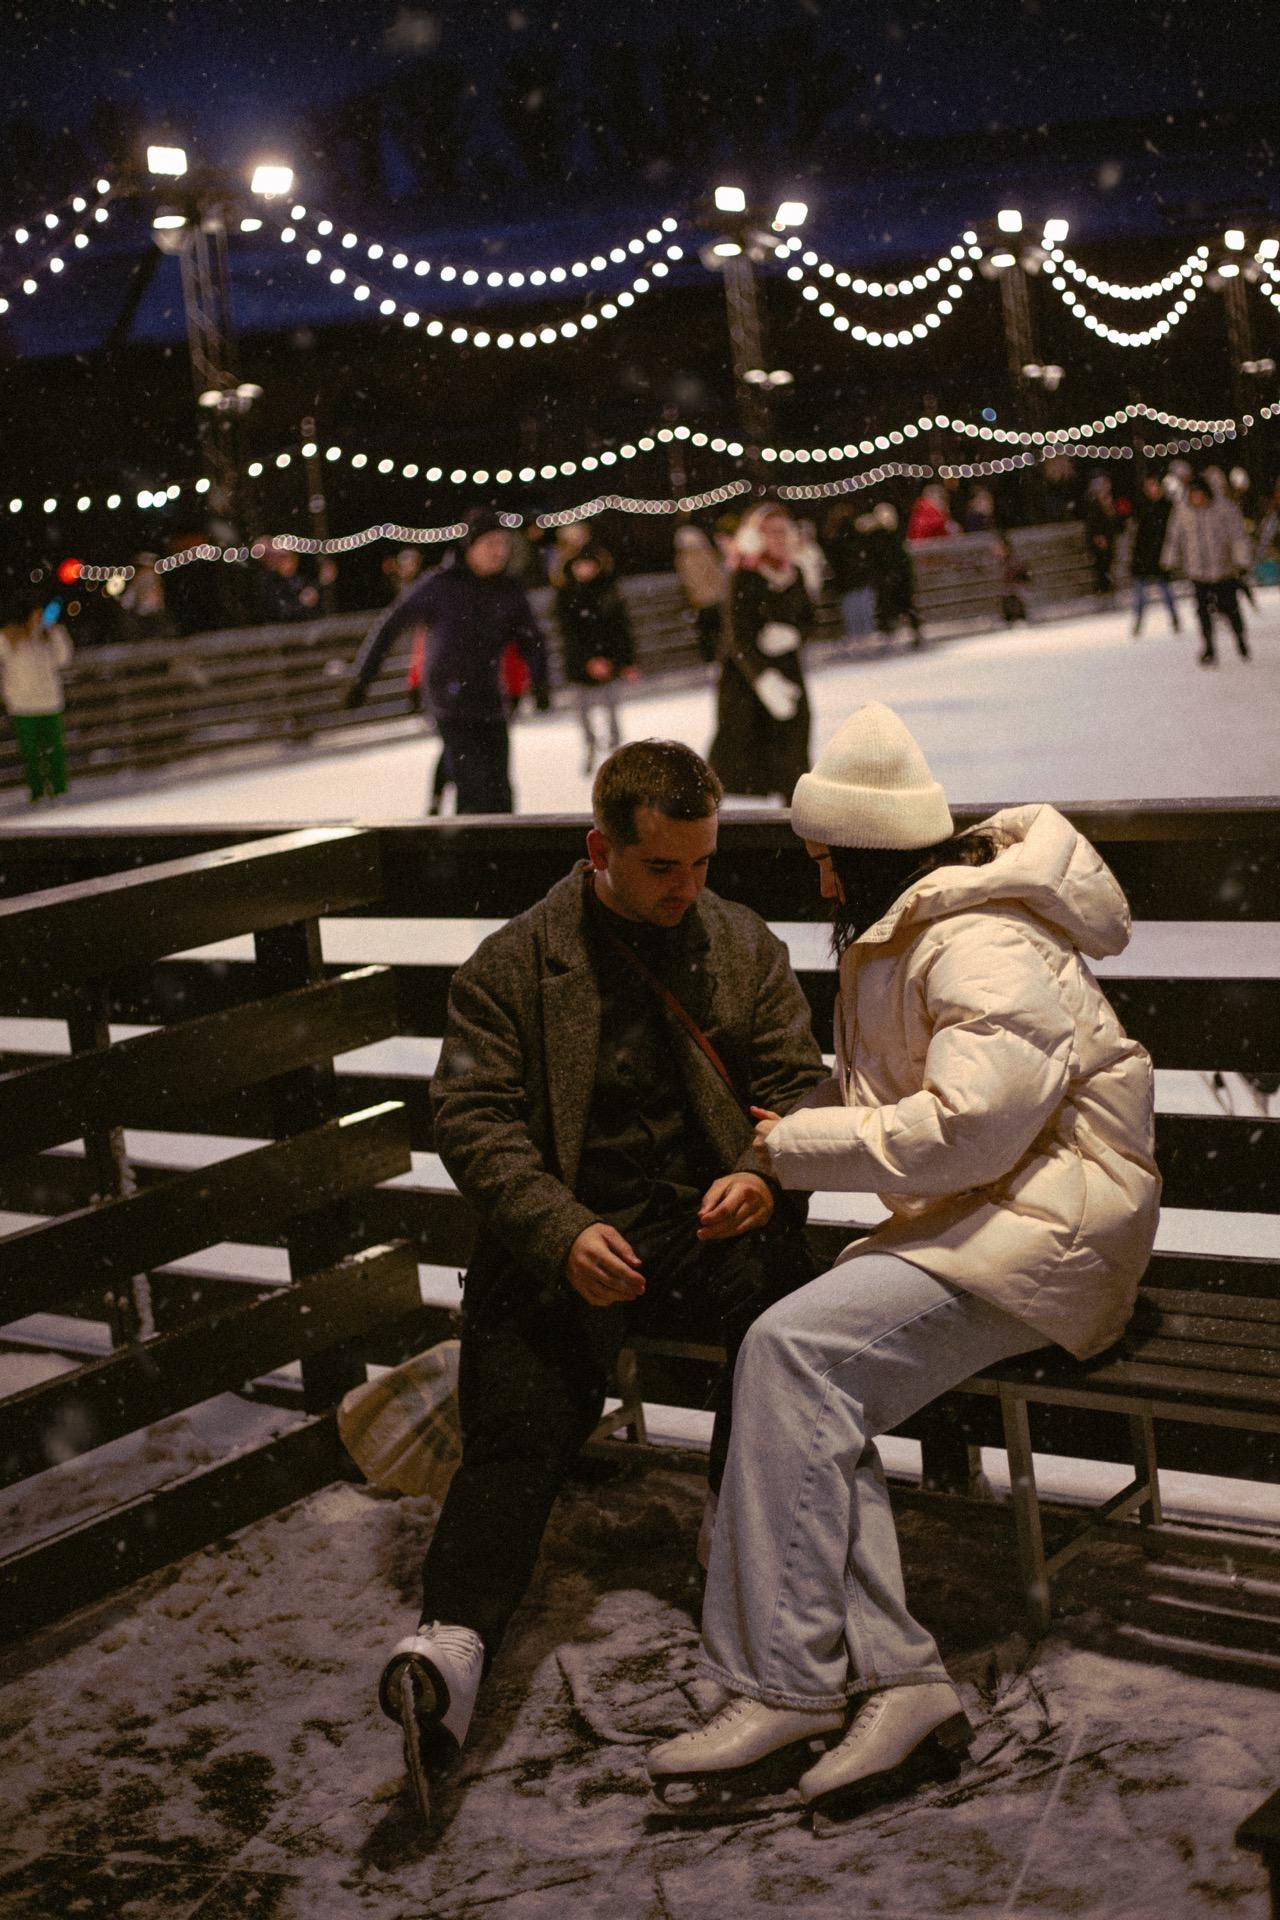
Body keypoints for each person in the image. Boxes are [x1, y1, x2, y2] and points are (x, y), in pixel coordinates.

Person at [647, 702, 1161, 1825]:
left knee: (793, 1355)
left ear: (874, 853)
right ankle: (898, 1683)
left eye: (829, 865)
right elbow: (910, 1111)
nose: (821, 888)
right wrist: (776, 1140)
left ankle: (787, 1683)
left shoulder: (974, 938)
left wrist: (791, 1150)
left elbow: (969, 1129)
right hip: (996, 1221)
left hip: (1054, 1236)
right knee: (800, 1370)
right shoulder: (912, 931)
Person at [378, 739, 827, 1816]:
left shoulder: (738, 943)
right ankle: (456, 1638)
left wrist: (764, 1178)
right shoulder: (513, 964)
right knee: (523, 1410)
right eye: (664, 868)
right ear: (600, 850)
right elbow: (474, 1123)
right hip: (574, 1231)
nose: (688, 890)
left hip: (707, 1227)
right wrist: (557, 1228)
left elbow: (798, 1088)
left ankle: (754, 1582)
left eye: (702, 865)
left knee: (778, 1335)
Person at [345, 508, 550, 812]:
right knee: (474, 786)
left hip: (490, 698)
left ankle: (503, 850)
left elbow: (531, 640)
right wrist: (362, 679)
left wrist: (541, 683)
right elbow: (391, 626)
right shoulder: (441, 586)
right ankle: (472, 852)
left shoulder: (508, 590)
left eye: (503, 544)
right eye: (490, 543)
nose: (498, 552)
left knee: (500, 789)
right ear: (471, 546)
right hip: (449, 699)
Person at [708, 502, 813, 802]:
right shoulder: (743, 575)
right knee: (745, 770)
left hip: (788, 673)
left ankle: (793, 827)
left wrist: (794, 635)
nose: (778, 538)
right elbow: (735, 638)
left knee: (792, 763)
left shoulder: (796, 573)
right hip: (746, 681)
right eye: (769, 532)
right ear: (753, 536)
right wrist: (763, 680)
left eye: (783, 531)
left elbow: (809, 619)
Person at [555, 543, 640, 773]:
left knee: (612, 707)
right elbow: (570, 634)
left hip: (609, 659)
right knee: (583, 710)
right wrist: (588, 660)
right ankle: (591, 746)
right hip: (581, 663)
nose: (584, 570)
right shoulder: (567, 595)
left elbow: (621, 628)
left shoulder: (609, 591)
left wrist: (625, 661)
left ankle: (615, 750)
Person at [1161, 473, 1252, 666]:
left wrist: (1241, 561)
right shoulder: (1182, 512)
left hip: (1223, 569)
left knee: (1230, 608)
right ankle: (1209, 646)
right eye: (1193, 495)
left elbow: (1238, 536)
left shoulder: (1224, 509)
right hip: (1197, 570)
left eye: (1200, 495)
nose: (1197, 499)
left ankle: (1240, 637)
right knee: (1202, 611)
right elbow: (1174, 538)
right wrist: (1168, 562)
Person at [1, 567, 74, 802]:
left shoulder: (49, 637)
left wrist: (55, 633)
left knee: (55, 751)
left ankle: (59, 789)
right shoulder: (9, 639)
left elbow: (64, 658)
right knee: (31, 754)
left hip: (49, 701)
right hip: (22, 704)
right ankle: (37, 791)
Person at [1128, 474, 1181, 637]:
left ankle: (1174, 619)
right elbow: (1139, 534)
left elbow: (1170, 532)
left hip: (1159, 554)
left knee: (1165, 591)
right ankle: (1138, 623)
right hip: (1143, 556)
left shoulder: (1166, 507)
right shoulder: (1143, 507)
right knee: (1140, 595)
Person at [865, 501, 924, 647]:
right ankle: (889, 637)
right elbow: (879, 561)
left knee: (904, 608)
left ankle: (910, 635)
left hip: (898, 581)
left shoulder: (895, 537)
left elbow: (903, 561)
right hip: (888, 581)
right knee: (890, 609)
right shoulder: (878, 538)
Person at [821, 502, 875, 646]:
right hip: (855, 579)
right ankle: (863, 635)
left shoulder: (836, 538)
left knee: (854, 609)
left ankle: (859, 636)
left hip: (849, 581)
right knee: (860, 608)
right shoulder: (854, 536)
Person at [673, 523, 728, 663]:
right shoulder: (706, 553)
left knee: (707, 631)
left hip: (701, 601)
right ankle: (719, 656)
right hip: (713, 599)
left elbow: (687, 582)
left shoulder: (682, 559)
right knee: (718, 629)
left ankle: (711, 657)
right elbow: (716, 574)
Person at [1083, 474, 1120, 596]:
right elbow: (1093, 524)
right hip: (1100, 539)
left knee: (1106, 563)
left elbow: (1113, 521)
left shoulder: (1106, 501)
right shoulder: (1094, 505)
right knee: (1102, 565)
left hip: (1107, 537)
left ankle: (1105, 586)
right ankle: (1103, 588)